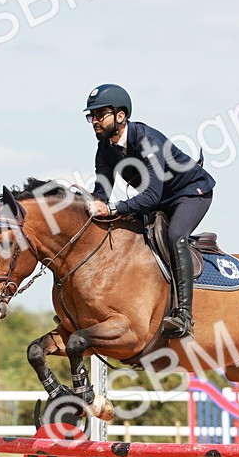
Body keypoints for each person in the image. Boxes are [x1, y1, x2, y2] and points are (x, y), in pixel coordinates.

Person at [82, 83, 216, 339]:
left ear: (120, 116)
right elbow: (102, 194)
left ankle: (184, 315)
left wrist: (112, 208)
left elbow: (152, 196)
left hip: (190, 193)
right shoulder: (105, 149)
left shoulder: (148, 143)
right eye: (92, 116)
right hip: (159, 198)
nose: (95, 121)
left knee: (176, 235)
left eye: (101, 114)